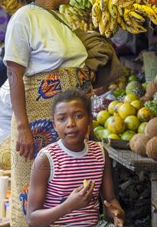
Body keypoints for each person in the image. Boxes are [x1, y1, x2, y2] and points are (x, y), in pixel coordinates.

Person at [4, 0, 92, 227]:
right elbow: (14, 74)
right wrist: (22, 126)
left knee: (66, 187)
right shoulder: (24, 18)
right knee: (35, 190)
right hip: (39, 118)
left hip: (69, 116)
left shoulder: (58, 19)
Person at [27, 90, 124, 227]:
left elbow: (110, 200)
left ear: (90, 120)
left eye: (78, 116)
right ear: (54, 125)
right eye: (62, 119)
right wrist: (69, 205)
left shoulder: (100, 153)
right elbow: (32, 219)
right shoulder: (46, 159)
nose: (70, 123)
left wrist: (116, 213)